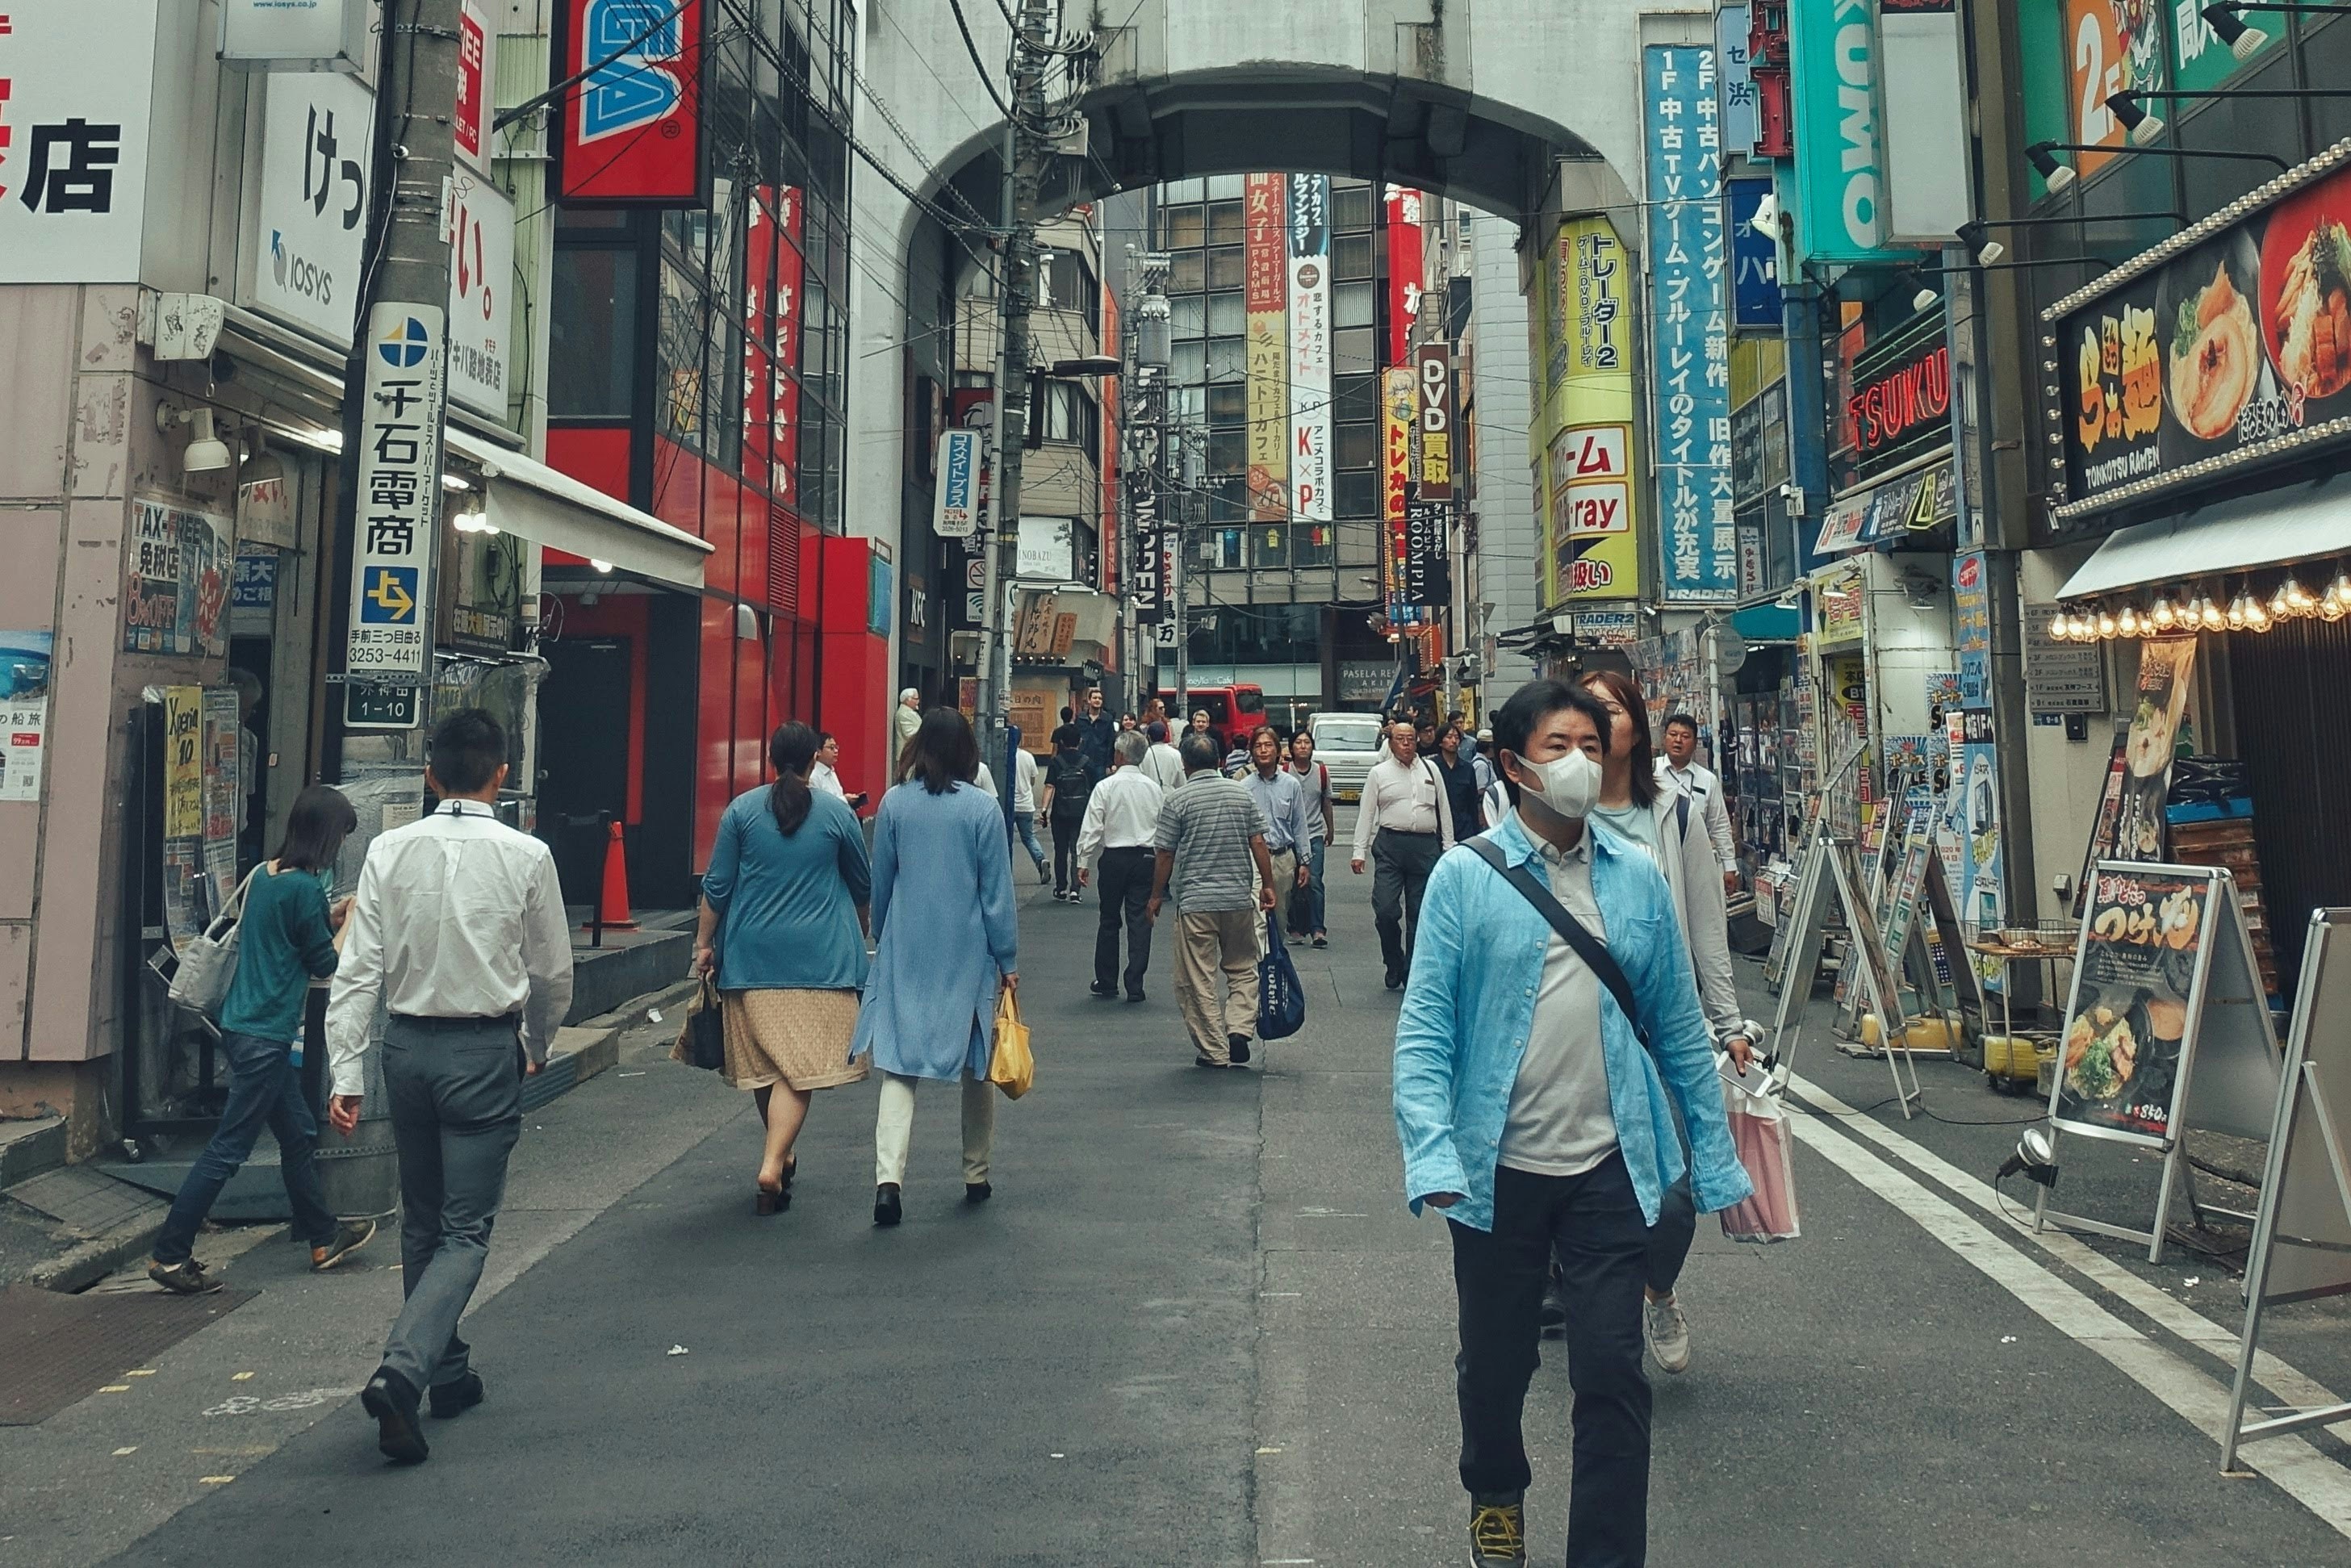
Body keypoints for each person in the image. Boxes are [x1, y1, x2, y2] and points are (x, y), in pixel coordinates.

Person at [1391, 679, 1753, 1568]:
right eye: (1559, 746)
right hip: (1497, 1171)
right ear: (1513, 765)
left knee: (1610, 1373)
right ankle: (1496, 1488)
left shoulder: (1634, 875)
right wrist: (1431, 1149)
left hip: (1608, 1168)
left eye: (1592, 745)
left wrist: (1714, 1160)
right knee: (1496, 1364)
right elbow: (1427, 1029)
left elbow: (1674, 1026)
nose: (1581, 763)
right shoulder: (1465, 876)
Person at [328, 708, 574, 1466]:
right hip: (480, 1049)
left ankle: (448, 1370)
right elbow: (552, 973)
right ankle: (403, 1371)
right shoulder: (528, 854)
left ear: (429, 774)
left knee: (423, 1220)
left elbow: (357, 967)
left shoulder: (387, 850)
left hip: (404, 1048)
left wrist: (345, 1069)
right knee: (466, 1231)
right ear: (502, 773)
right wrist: (534, 1041)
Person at [1574, 671, 1752, 1374]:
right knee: (1583, 1181)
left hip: (1660, 1032)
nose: (1594, 720)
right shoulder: (1559, 810)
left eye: (1608, 708)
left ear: (1636, 725)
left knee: (1675, 1197)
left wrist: (1728, 1020)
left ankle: (1658, 1288)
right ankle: (1589, 1305)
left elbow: (1706, 923)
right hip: (1576, 1030)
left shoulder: (1673, 814)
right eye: (1583, 708)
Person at [149, 786, 375, 1295]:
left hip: (240, 1025)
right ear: (327, 835)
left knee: (296, 1131)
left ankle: (323, 1237)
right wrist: (350, 921)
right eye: (340, 834)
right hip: (265, 1035)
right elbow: (325, 965)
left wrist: (326, 918)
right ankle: (170, 1253)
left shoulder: (266, 876)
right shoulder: (306, 889)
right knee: (228, 1150)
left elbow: (285, 936)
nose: (340, 845)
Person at [689, 723, 872, 1215]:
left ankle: (782, 1153)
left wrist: (704, 945)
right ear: (815, 758)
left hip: (751, 958)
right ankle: (774, 1161)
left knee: (766, 1065)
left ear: (770, 758)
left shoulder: (742, 812)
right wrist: (863, 929)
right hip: (822, 960)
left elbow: (718, 886)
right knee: (799, 1069)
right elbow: (861, 884)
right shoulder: (837, 815)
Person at [854, 709, 1019, 1226]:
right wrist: (1007, 958)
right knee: (977, 1064)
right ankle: (976, 1173)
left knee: (900, 1065)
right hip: (967, 952)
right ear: (968, 750)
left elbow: (881, 883)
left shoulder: (895, 804)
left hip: (907, 949)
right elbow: (997, 894)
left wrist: (883, 933)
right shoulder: (982, 809)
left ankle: (888, 1182)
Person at [1149, 732, 1277, 1068]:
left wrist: (1155, 896)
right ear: (1220, 761)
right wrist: (1268, 885)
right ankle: (1239, 1029)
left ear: (1185, 764)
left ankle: (1214, 1049)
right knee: (1244, 967)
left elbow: (1165, 854)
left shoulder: (1177, 800)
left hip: (1196, 901)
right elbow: (1259, 842)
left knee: (1197, 977)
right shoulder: (1241, 794)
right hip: (1238, 897)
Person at [1352, 721, 1455, 989]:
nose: (1406, 744)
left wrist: (1449, 848)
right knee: (1386, 910)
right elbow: (1367, 812)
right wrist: (1358, 851)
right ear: (1391, 742)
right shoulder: (1379, 773)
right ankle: (1393, 960)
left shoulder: (1431, 770)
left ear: (1417, 741)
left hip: (1425, 847)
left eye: (1411, 739)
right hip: (1390, 845)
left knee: (1420, 914)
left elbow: (1443, 810)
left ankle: (1411, 969)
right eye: (1400, 739)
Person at [1077, 730, 1165, 1002]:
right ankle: (1135, 983)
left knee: (1109, 919)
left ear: (1119, 755)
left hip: (1114, 857)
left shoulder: (1106, 786)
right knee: (1140, 921)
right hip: (1146, 858)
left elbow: (1092, 824)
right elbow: (1163, 828)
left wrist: (1083, 860)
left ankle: (1106, 980)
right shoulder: (1153, 788)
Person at [1240, 725, 1316, 933]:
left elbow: (1299, 825)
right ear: (1252, 752)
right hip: (1253, 860)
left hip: (1283, 858)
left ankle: (1273, 958)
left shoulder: (1291, 784)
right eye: (1258, 746)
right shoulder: (1244, 787)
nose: (1263, 750)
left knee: (1280, 917)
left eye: (1268, 745)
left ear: (1278, 751)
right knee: (1258, 917)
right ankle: (1261, 963)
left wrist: (1305, 862)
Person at [1658, 713, 1740, 896]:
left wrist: (1729, 866)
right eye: (1673, 734)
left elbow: (1719, 825)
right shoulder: (1650, 774)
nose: (1678, 740)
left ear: (1695, 744)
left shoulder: (1707, 780)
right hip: (1659, 861)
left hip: (1697, 862)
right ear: (1665, 739)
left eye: (1685, 736)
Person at [1040, 723, 1099, 902]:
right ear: (1080, 741)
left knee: (1060, 851)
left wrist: (1044, 810)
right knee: (1077, 850)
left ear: (1063, 743)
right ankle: (1075, 890)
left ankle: (1060, 888)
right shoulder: (1087, 762)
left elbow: (1050, 786)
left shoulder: (1056, 762)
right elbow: (1096, 787)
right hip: (1081, 813)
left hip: (1060, 813)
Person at [1286, 730, 1334, 948]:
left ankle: (1317, 929)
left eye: (1307, 742)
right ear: (1292, 748)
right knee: (1292, 883)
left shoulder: (1322, 772)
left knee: (1314, 881)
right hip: (1289, 836)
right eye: (1299, 742)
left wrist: (1330, 829)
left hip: (1314, 833)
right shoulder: (1285, 772)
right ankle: (1295, 928)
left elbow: (1326, 802)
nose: (1303, 746)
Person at [1433, 723, 1487, 845]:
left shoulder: (1468, 768)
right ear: (1440, 741)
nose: (1453, 741)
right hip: (1439, 828)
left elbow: (1472, 801)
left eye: (1457, 737)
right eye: (1449, 737)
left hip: (1464, 827)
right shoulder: (1433, 766)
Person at [1010, 741, 1051, 885]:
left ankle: (1007, 870)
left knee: (1006, 839)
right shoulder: (1028, 756)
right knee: (1029, 837)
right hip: (1026, 804)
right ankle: (1040, 860)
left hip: (1009, 805)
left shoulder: (1003, 757)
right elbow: (1033, 780)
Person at [809, 731, 869, 812]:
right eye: (831, 748)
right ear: (819, 751)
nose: (836, 751)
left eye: (836, 747)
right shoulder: (813, 776)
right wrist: (845, 800)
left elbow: (836, 797)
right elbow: (819, 806)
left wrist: (850, 803)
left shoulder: (832, 772)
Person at [1074, 686, 1119, 775]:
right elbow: (1076, 739)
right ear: (1089, 700)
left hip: (1100, 762)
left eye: (1100, 698)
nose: (1097, 700)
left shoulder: (1108, 719)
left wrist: (1110, 764)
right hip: (1083, 761)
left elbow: (1111, 742)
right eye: (1095, 698)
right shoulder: (1080, 718)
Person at [1141, 720, 1187, 791]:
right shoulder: (1175, 754)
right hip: (1171, 793)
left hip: (1150, 793)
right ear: (1165, 735)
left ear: (1149, 737)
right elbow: (1181, 781)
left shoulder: (1144, 754)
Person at [894, 688, 923, 752]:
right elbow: (909, 734)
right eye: (916, 699)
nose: (918, 701)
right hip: (907, 754)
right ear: (908, 700)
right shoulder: (905, 713)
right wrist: (924, 731)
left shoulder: (909, 712)